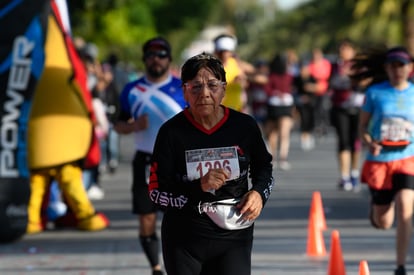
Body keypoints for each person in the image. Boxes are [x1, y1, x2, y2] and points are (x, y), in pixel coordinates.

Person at [148, 53, 274, 275]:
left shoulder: (244, 127)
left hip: (234, 235)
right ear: (184, 91)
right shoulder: (171, 132)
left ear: (224, 89)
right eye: (196, 87)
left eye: (212, 86)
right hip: (185, 238)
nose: (204, 94)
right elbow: (157, 192)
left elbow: (264, 168)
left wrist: (258, 194)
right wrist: (198, 187)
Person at [114, 37, 187, 275]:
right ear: (144, 59)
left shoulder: (183, 88)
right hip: (146, 160)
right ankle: (156, 267)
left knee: (178, 217)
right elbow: (118, 124)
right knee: (147, 218)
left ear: (169, 59)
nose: (156, 59)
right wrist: (133, 127)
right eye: (151, 55)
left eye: (161, 55)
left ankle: (179, 263)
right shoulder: (132, 90)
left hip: (178, 162)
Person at [354, 46, 414, 275]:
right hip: (380, 160)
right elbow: (362, 127)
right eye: (392, 66)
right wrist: (370, 142)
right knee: (384, 222)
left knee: (405, 206)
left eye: (401, 65)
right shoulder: (375, 93)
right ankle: (376, 211)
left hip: (408, 158)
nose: (397, 70)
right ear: (386, 68)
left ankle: (400, 266)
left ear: (410, 68)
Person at [329, 39, 364, 191]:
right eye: (342, 49)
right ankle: (344, 176)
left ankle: (354, 173)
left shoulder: (360, 66)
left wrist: (354, 77)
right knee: (343, 141)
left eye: (347, 49)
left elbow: (365, 83)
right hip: (340, 107)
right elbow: (329, 84)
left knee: (355, 141)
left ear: (353, 51)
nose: (344, 52)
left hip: (357, 107)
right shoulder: (335, 66)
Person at [264, 53, 295, 170]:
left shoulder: (288, 76)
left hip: (284, 105)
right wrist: (277, 93)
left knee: (283, 131)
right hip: (275, 105)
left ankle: (282, 157)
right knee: (274, 132)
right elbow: (268, 89)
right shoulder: (274, 76)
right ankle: (275, 156)